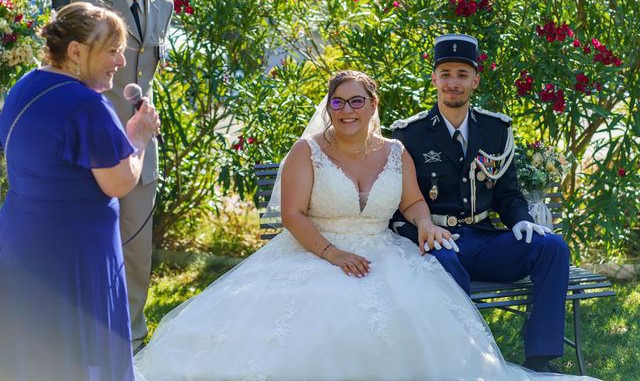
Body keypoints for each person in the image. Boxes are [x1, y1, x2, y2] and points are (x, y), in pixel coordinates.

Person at [133, 70, 595, 381]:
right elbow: (293, 215)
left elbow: (414, 201)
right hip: (317, 252)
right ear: (329, 106)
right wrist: (333, 255)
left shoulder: (395, 151)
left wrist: (425, 225)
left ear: (373, 104)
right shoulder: (307, 151)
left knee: (414, 305)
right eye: (338, 102)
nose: (347, 110)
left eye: (357, 101)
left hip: (383, 249)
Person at [390, 34, 571, 373]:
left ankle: (541, 357)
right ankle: (463, 358)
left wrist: (519, 219)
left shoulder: (495, 128)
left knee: (552, 248)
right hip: (435, 240)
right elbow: (400, 200)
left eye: (461, 74)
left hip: (482, 238)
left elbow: (507, 192)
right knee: (446, 267)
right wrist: (421, 229)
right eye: (445, 74)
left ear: (475, 79)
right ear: (434, 79)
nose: (453, 83)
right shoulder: (409, 134)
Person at [0, 2, 160, 380]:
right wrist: (137, 137)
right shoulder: (87, 105)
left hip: (21, 243)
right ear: (76, 52)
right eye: (112, 50)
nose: (120, 62)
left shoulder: (24, 86)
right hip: (73, 255)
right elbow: (120, 182)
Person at [72, 0, 173, 352]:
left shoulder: (163, 6)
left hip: (139, 148)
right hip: (93, 145)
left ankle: (131, 337)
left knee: (136, 249)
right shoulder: (88, 6)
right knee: (89, 244)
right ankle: (86, 335)